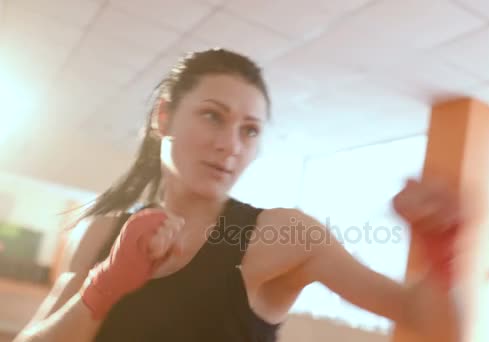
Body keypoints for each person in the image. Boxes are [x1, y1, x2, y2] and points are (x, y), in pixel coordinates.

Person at [14, 49, 463, 342]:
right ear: (163, 118)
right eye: (212, 116)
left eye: (249, 130)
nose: (230, 145)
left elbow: (425, 321)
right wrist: (105, 285)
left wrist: (441, 256)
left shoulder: (283, 235)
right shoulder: (103, 231)